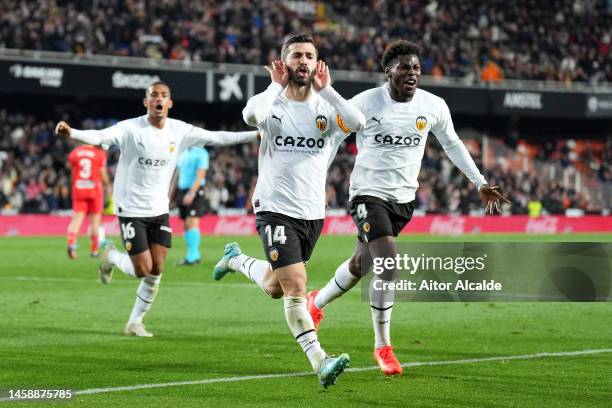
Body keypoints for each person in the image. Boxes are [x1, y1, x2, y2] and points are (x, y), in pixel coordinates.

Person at [306, 40, 509, 376]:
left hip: (404, 200)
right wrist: (317, 181)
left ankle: (316, 303)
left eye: (416, 67)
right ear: (389, 72)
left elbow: (452, 143)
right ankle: (382, 346)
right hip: (367, 195)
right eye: (404, 67)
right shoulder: (366, 103)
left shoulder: (433, 105)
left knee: (360, 264)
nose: (412, 73)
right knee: (387, 263)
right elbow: (334, 139)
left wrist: (479, 182)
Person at [212, 33, 366, 388]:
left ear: (317, 63)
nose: (303, 61)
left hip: (311, 212)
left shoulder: (326, 108)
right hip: (274, 207)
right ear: (285, 62)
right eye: (296, 55)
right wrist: (273, 86)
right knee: (296, 286)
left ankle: (235, 260)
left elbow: (357, 122)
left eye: (310, 55)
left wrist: (328, 90)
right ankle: (320, 361)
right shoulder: (273, 105)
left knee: (275, 286)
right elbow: (250, 115)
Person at [55, 81, 258, 337]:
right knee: (141, 269)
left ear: (170, 103)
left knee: (157, 268)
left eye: (163, 95)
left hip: (158, 208)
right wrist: (73, 132)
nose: (158, 99)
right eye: (153, 95)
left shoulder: (179, 131)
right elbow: (100, 136)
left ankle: (135, 322)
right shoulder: (131, 128)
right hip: (130, 208)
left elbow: (216, 137)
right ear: (146, 102)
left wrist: (255, 135)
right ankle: (111, 257)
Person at [66, 143, 111, 258]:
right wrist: (107, 185)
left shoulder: (74, 153)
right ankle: (94, 250)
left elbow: (72, 172)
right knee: (95, 221)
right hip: (94, 191)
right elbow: (102, 173)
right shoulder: (99, 154)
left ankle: (71, 244)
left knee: (77, 220)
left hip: (79, 189)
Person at [174, 146, 209, 266]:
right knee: (185, 224)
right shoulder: (182, 152)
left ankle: (191, 257)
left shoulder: (201, 152)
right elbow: (177, 175)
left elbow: (201, 174)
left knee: (192, 222)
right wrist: (170, 193)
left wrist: (192, 192)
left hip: (195, 190)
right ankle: (195, 255)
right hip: (181, 190)